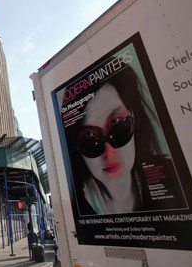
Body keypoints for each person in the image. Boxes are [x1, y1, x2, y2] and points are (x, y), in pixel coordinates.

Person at [63, 63, 185, 215]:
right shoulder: (74, 204)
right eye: (89, 136)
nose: (108, 151)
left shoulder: (177, 178)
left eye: (116, 123)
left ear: (133, 117)